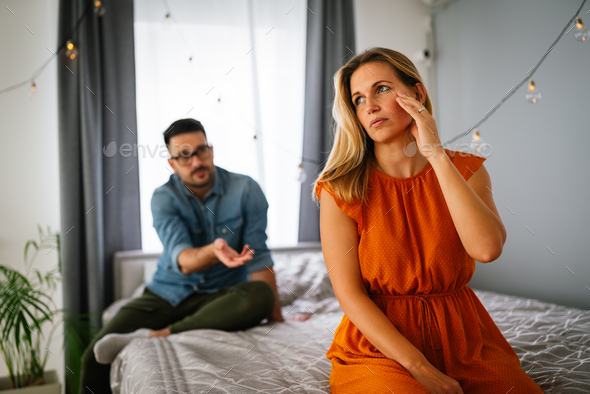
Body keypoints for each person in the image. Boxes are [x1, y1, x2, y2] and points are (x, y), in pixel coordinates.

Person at [314, 48, 543, 393]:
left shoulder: (467, 170)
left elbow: (486, 249)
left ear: (417, 94)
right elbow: (350, 295)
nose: (371, 105)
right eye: (358, 99)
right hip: (379, 347)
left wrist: (436, 155)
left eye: (382, 89)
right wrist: (419, 367)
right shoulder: (340, 189)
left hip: (464, 340)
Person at [80, 118, 283, 393]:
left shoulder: (246, 190)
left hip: (221, 296)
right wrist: (214, 251)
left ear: (211, 150)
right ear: (172, 163)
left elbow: (258, 256)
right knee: (92, 357)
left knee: (261, 294)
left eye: (201, 151)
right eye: (184, 156)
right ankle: (167, 327)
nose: (196, 162)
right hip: (167, 293)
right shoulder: (163, 198)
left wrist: (277, 319)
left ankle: (157, 335)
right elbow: (184, 261)